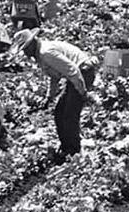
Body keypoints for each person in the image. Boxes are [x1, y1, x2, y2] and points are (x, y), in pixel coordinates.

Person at [11, 29, 97, 160]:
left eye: (26, 48)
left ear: (33, 42)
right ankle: (66, 147)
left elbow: (72, 70)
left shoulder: (46, 52)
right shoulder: (40, 55)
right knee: (59, 112)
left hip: (82, 72)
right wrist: (49, 97)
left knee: (69, 114)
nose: (25, 52)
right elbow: (55, 76)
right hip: (75, 75)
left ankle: (73, 151)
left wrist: (82, 92)